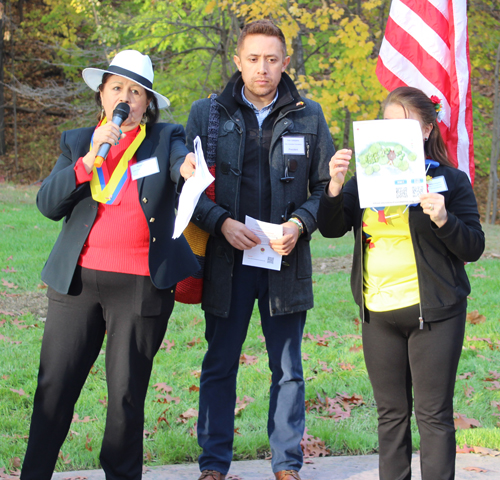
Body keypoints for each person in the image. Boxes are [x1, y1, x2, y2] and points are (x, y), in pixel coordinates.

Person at [20, 50, 200, 480]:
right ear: (102, 94)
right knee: (54, 389)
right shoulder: (78, 141)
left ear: (147, 103)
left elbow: (178, 164)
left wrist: (187, 168)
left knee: (124, 397)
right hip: (75, 285)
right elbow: (48, 203)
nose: (125, 97)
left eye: (135, 91)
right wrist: (88, 161)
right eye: (117, 88)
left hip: (140, 284)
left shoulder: (165, 137)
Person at [184, 20, 334, 480]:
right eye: (253, 59)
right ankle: (213, 465)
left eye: (272, 59)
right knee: (219, 363)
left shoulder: (310, 115)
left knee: (288, 369)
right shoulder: (206, 113)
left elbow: (325, 187)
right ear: (238, 62)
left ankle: (287, 465)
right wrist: (220, 224)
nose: (262, 69)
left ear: (285, 62)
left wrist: (300, 223)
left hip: (283, 263)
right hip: (227, 262)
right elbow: (187, 187)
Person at [317, 86, 485, 480]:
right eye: (388, 124)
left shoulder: (450, 181)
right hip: (378, 313)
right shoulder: (366, 181)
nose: (394, 132)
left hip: (436, 313)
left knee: (433, 415)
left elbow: (474, 246)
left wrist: (444, 219)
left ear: (426, 130)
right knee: (391, 415)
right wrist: (335, 186)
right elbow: (331, 227)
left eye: (406, 125)